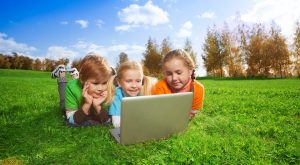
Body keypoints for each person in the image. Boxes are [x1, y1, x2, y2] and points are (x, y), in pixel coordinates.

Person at [63, 53, 115, 126]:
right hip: (75, 106)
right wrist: (87, 105)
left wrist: (98, 106)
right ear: (82, 80)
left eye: (104, 83)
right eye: (95, 83)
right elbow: (71, 121)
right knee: (62, 106)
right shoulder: (71, 87)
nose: (101, 88)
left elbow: (107, 121)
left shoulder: (108, 89)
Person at [152, 49, 204, 119]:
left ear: (190, 71)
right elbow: (157, 111)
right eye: (169, 74)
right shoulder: (159, 87)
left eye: (179, 73)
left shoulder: (198, 89)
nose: (174, 78)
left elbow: (193, 112)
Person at [108, 61, 157, 128]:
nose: (134, 86)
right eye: (128, 81)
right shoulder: (117, 96)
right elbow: (116, 124)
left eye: (138, 81)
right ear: (119, 82)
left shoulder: (144, 92)